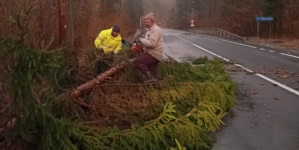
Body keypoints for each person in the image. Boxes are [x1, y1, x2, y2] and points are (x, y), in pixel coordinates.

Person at [133, 12, 163, 83]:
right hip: (152, 53)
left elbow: (152, 44)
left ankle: (150, 78)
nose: (146, 23)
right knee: (153, 74)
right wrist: (140, 45)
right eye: (145, 22)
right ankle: (154, 85)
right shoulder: (149, 30)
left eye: (148, 22)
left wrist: (140, 39)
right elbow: (147, 42)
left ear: (152, 21)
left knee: (137, 61)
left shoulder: (155, 29)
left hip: (154, 54)